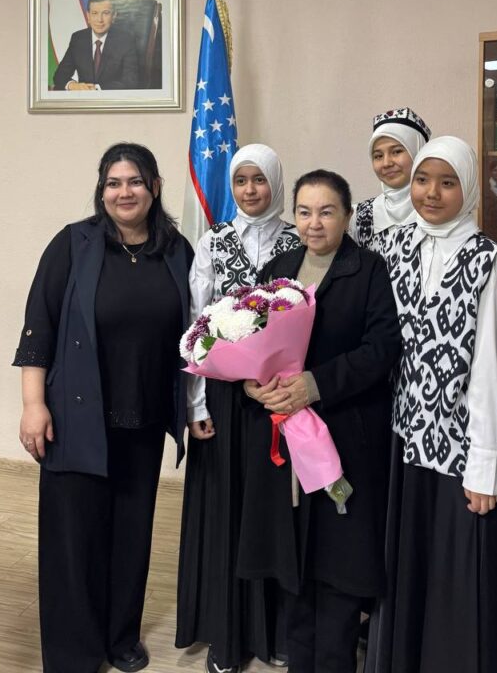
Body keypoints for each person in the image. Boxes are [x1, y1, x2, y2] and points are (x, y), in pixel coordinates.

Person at [13, 142, 193, 673]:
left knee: (131, 534)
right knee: (75, 539)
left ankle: (121, 638)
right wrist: (33, 404)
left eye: (134, 181)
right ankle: (74, 652)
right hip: (75, 417)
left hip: (143, 418)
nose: (123, 192)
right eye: (113, 183)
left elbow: (196, 331)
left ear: (155, 187)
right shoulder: (73, 244)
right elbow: (38, 327)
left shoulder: (176, 249)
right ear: (101, 190)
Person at [237, 170, 402, 673]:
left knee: (337, 569)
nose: (314, 223)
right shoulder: (279, 269)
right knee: (294, 567)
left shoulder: (369, 270)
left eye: (327, 212)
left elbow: (381, 350)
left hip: (344, 438)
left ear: (347, 216)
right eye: (305, 212)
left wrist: (316, 384)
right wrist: (252, 384)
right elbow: (251, 342)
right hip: (286, 442)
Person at [366, 136, 497, 673]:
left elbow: (493, 367)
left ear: (467, 189)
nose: (431, 193)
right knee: (402, 563)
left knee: (452, 571)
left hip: (457, 444)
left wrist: (484, 461)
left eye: (447, 183)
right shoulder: (392, 247)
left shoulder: (487, 259)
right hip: (399, 437)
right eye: (423, 180)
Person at [176, 144, 300, 673]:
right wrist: (196, 403)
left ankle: (277, 630)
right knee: (227, 512)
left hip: (282, 397)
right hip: (225, 399)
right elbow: (196, 321)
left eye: (260, 179)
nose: (251, 190)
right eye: (241, 181)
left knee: (276, 514)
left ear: (276, 182)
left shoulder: (298, 239)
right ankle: (227, 633)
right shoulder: (214, 241)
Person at [351, 107, 431, 250]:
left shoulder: (437, 211)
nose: (386, 163)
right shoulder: (358, 217)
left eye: (397, 151)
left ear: (418, 152)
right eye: (378, 156)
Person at [52, 0, 140, 90]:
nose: (99, 20)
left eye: (106, 13)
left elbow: (131, 81)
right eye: (94, 13)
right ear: (88, 16)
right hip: (83, 98)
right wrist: (73, 85)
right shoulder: (78, 38)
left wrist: (96, 88)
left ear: (114, 16)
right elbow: (59, 75)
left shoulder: (126, 40)